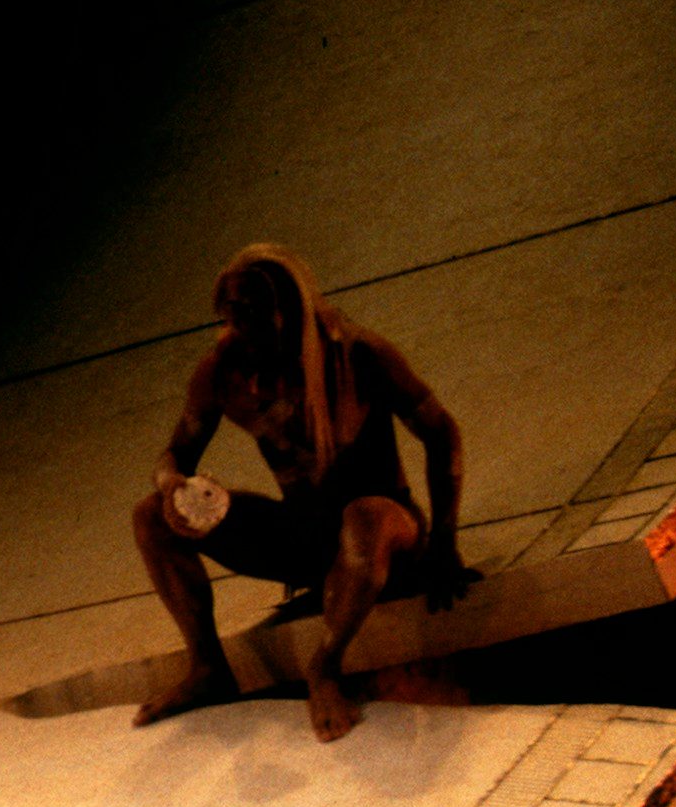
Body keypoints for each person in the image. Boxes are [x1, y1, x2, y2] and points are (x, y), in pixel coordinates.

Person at [131, 244, 472, 742]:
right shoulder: (223, 373)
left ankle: (325, 667)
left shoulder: (357, 354)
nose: (238, 325)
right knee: (150, 515)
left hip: (385, 531)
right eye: (230, 312)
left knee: (364, 518)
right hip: (306, 537)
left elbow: (442, 433)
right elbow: (175, 454)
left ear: (289, 310)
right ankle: (207, 666)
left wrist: (444, 542)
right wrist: (172, 487)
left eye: (252, 311)